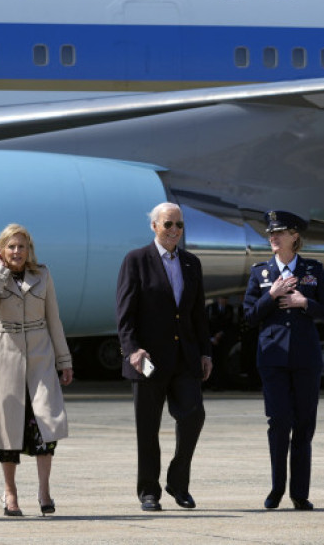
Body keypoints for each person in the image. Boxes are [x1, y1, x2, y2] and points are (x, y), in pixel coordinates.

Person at [116, 202, 212, 512]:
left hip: (185, 356)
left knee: (194, 414)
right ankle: (149, 491)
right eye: (168, 224)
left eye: (179, 225)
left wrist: (205, 351)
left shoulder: (191, 263)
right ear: (154, 226)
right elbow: (125, 314)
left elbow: (198, 313)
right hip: (147, 359)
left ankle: (178, 481)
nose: (174, 231)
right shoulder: (136, 261)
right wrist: (132, 349)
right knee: (148, 427)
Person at [242, 210, 324, 512]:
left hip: (306, 359)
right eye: (271, 233)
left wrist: (304, 303)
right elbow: (248, 317)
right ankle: (276, 489)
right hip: (272, 359)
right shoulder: (260, 273)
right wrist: (271, 295)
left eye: (279, 232)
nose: (273, 237)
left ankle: (300, 493)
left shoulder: (313, 270)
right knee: (279, 422)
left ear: (294, 236)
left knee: (304, 425)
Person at [0, 223, 73, 517]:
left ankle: (44, 491)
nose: (17, 252)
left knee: (46, 424)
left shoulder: (42, 274)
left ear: (29, 250)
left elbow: (53, 318)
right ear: (2, 249)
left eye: (22, 246)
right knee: (7, 430)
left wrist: (64, 360)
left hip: (40, 358)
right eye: (11, 247)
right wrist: (1, 271)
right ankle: (10, 493)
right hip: (4, 357)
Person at [205, 296, 235, 390]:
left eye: (226, 299)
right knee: (211, 361)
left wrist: (221, 334)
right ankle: (210, 383)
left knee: (222, 363)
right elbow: (206, 324)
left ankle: (220, 384)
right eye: (222, 298)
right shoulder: (210, 308)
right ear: (218, 299)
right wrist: (212, 338)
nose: (224, 300)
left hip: (222, 339)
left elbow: (229, 324)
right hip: (211, 339)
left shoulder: (229, 308)